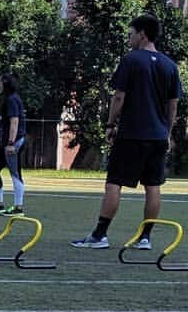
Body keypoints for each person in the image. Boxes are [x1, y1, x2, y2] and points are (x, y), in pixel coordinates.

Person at [73, 13, 182, 250]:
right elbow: (173, 104)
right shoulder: (169, 65)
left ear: (142, 34)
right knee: (153, 186)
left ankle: (99, 236)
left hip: (132, 133)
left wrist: (110, 124)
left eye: (131, 33)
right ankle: (145, 238)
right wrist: (167, 132)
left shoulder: (131, 60)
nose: (129, 38)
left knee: (114, 183)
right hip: (157, 136)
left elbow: (119, 95)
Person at [0, 72, 26, 216]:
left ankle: (18, 207)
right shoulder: (6, 99)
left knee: (15, 173)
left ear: (5, 83)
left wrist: (11, 143)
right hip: (6, 143)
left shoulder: (12, 100)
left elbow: (15, 121)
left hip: (13, 142)